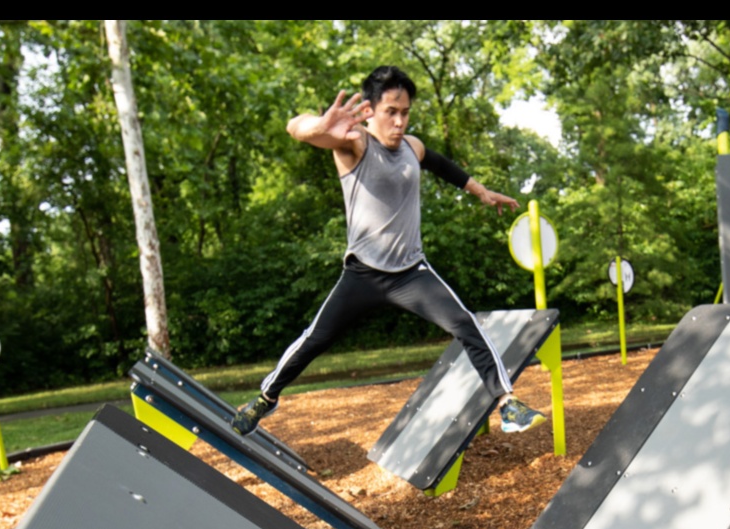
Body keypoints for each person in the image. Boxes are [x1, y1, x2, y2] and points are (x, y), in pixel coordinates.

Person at [231, 66, 548, 437]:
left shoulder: (412, 147)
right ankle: (266, 397)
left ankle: (507, 404)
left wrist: (480, 191)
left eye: (405, 112)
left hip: (412, 272)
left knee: (465, 323)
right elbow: (294, 127)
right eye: (391, 112)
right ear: (370, 110)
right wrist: (318, 127)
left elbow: (441, 165)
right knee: (315, 338)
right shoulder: (355, 143)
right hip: (363, 274)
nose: (399, 121)